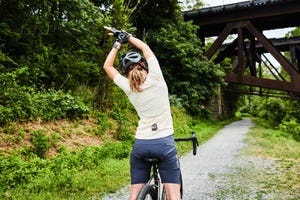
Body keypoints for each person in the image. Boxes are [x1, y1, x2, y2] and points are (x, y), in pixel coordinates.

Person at [103, 27, 181, 200]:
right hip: (164, 143)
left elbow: (107, 66)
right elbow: (146, 48)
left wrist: (117, 43)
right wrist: (128, 37)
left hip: (141, 145)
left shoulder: (128, 87)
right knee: (174, 195)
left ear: (126, 72)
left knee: (134, 195)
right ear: (144, 66)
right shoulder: (156, 78)